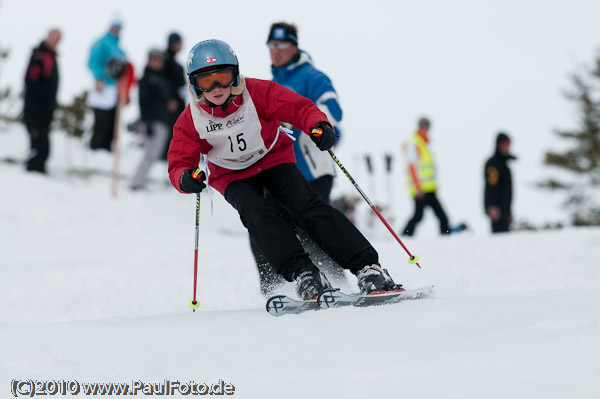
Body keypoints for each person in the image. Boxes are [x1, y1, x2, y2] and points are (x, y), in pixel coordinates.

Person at [168, 39, 402, 300]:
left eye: (223, 77)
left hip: (272, 159)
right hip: (232, 175)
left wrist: (319, 125)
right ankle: (304, 274)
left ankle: (367, 267)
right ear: (194, 84)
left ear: (235, 74)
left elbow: (298, 107)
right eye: (206, 81)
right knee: (256, 212)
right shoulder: (192, 118)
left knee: (306, 206)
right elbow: (179, 162)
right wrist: (187, 178)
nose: (217, 87)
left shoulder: (256, 92)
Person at [247, 22, 346, 294]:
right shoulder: (272, 84)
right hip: (279, 170)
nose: (275, 52)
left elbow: (334, 109)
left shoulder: (312, 76)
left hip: (313, 168)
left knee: (309, 226)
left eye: (281, 46)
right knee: (262, 227)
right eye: (271, 46)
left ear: (294, 46)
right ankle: (275, 290)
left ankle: (339, 281)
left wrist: (303, 120)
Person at [401, 117, 451, 236]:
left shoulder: (424, 143)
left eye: (428, 127)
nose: (426, 129)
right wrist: (418, 187)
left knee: (443, 217)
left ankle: (447, 238)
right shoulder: (415, 142)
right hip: (421, 189)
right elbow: (412, 167)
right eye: (424, 126)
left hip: (430, 189)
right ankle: (404, 236)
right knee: (418, 216)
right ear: (419, 126)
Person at [130, 49, 170, 190]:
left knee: (154, 154)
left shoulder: (162, 79)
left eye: (159, 59)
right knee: (149, 154)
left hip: (162, 121)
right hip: (152, 121)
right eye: (154, 59)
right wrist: (147, 122)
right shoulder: (147, 79)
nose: (157, 62)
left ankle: (140, 182)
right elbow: (143, 101)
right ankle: (137, 183)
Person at [23, 29, 62, 173]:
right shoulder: (39, 54)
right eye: (54, 37)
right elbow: (31, 79)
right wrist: (40, 100)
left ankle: (39, 169)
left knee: (43, 140)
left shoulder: (51, 56)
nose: (55, 41)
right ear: (48, 37)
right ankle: (33, 169)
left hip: (46, 108)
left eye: (58, 38)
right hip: (35, 107)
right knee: (37, 139)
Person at [87, 19, 127, 151]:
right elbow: (92, 61)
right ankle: (96, 148)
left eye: (119, 27)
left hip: (116, 88)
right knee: (101, 120)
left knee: (112, 119)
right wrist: (99, 77)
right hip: (104, 86)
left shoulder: (119, 49)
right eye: (114, 26)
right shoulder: (101, 43)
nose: (116, 29)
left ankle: (106, 148)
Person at [161, 32, 187, 161]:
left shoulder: (174, 62)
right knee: (171, 129)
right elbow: (166, 82)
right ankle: (166, 156)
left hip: (176, 102)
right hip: (171, 104)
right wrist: (170, 98)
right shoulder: (167, 61)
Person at [484, 132, 515, 233]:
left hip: (505, 212)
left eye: (508, 144)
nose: (507, 147)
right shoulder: (493, 164)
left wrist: (509, 212)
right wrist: (491, 206)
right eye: (504, 144)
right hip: (497, 211)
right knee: (498, 241)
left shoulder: (505, 165)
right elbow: (491, 186)